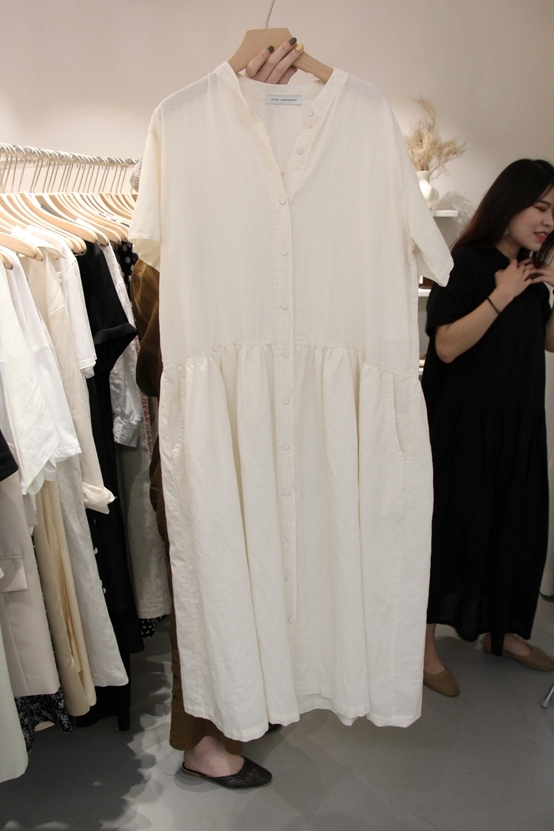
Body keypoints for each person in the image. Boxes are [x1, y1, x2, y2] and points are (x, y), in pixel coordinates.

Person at [131, 37, 303, 788]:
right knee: (210, 587)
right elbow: (158, 367)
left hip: (253, 436)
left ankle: (243, 707)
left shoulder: (256, 238)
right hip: (198, 445)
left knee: (256, 575)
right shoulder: (168, 252)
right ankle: (201, 740)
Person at [421, 159, 554, 696]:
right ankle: (423, 649)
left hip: (519, 424)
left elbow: (548, 340)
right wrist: (503, 294)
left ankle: (504, 634)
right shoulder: (465, 263)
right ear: (510, 203)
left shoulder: (529, 272)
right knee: (451, 529)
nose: (549, 221)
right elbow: (447, 346)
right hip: (463, 427)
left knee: (517, 525)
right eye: (541, 207)